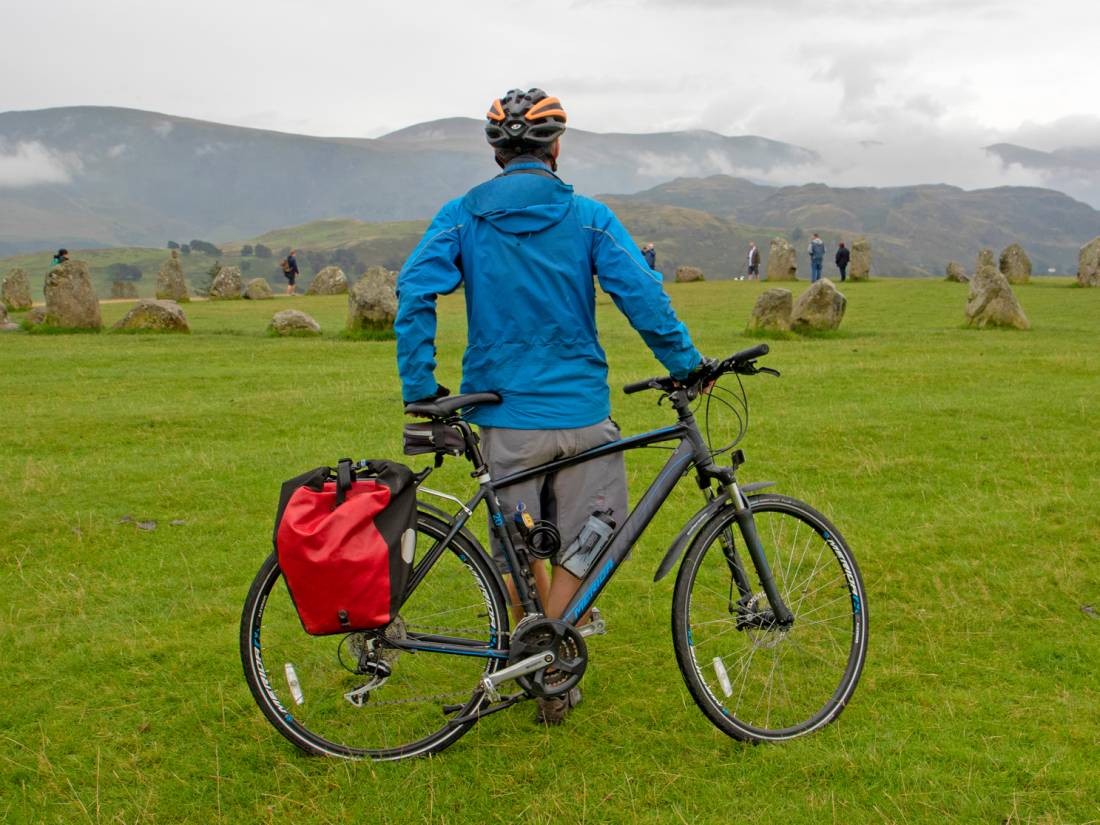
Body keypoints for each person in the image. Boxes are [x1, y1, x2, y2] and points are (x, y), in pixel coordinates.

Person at [395, 88, 704, 725]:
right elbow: (642, 296)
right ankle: (553, 663)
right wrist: (685, 364)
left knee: (516, 551)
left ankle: (542, 662)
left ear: (497, 153)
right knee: (591, 540)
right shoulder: (588, 216)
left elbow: (414, 289)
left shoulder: (461, 215)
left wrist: (421, 385)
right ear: (555, 147)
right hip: (582, 414)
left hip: (506, 417)